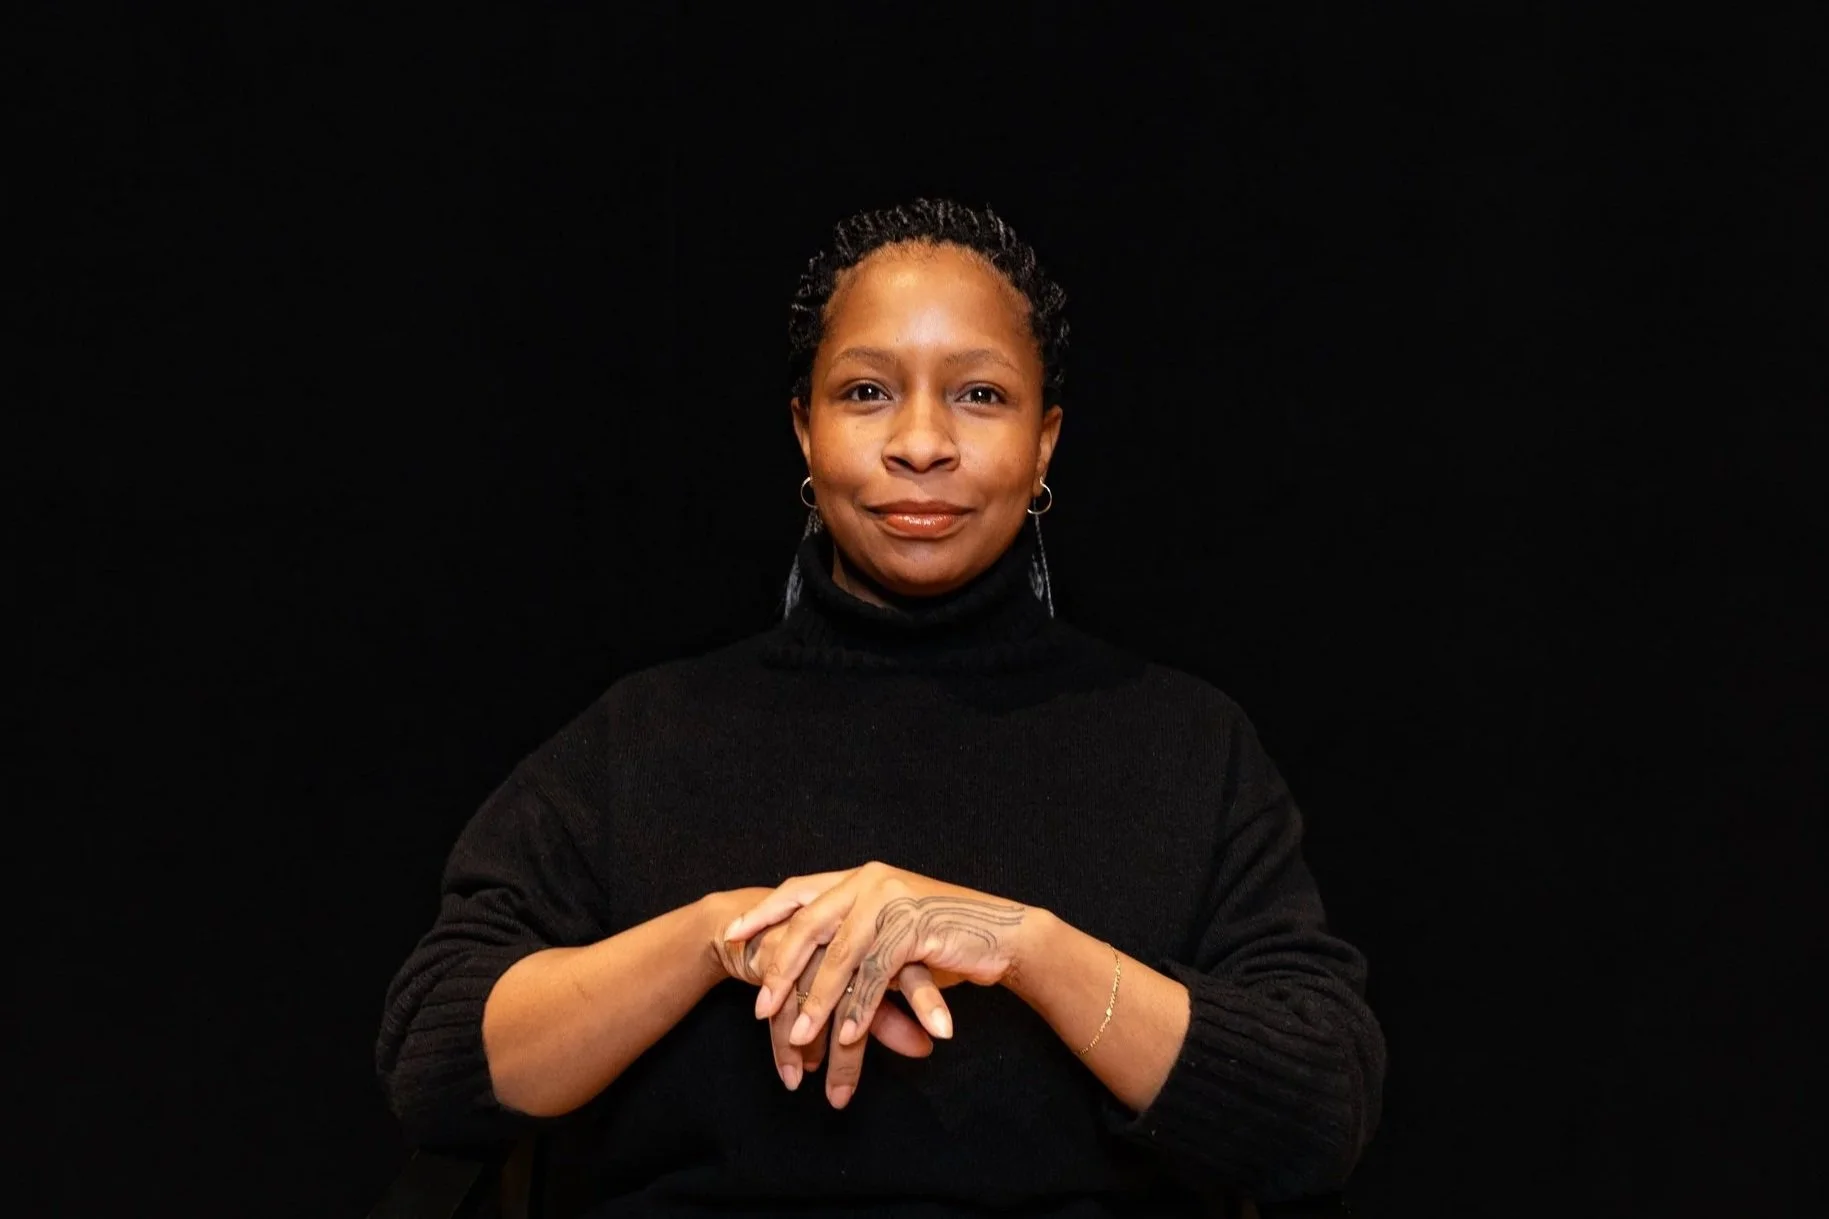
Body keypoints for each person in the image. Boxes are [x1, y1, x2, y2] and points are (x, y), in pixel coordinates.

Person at [375, 198, 1386, 1218]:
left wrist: (1022, 946)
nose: (919, 442)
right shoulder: (644, 734)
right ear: (803, 432)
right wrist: (721, 934)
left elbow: (1312, 1113)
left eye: (978, 395)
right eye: (865, 391)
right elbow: (437, 1065)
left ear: (1044, 444)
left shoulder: (1184, 746)